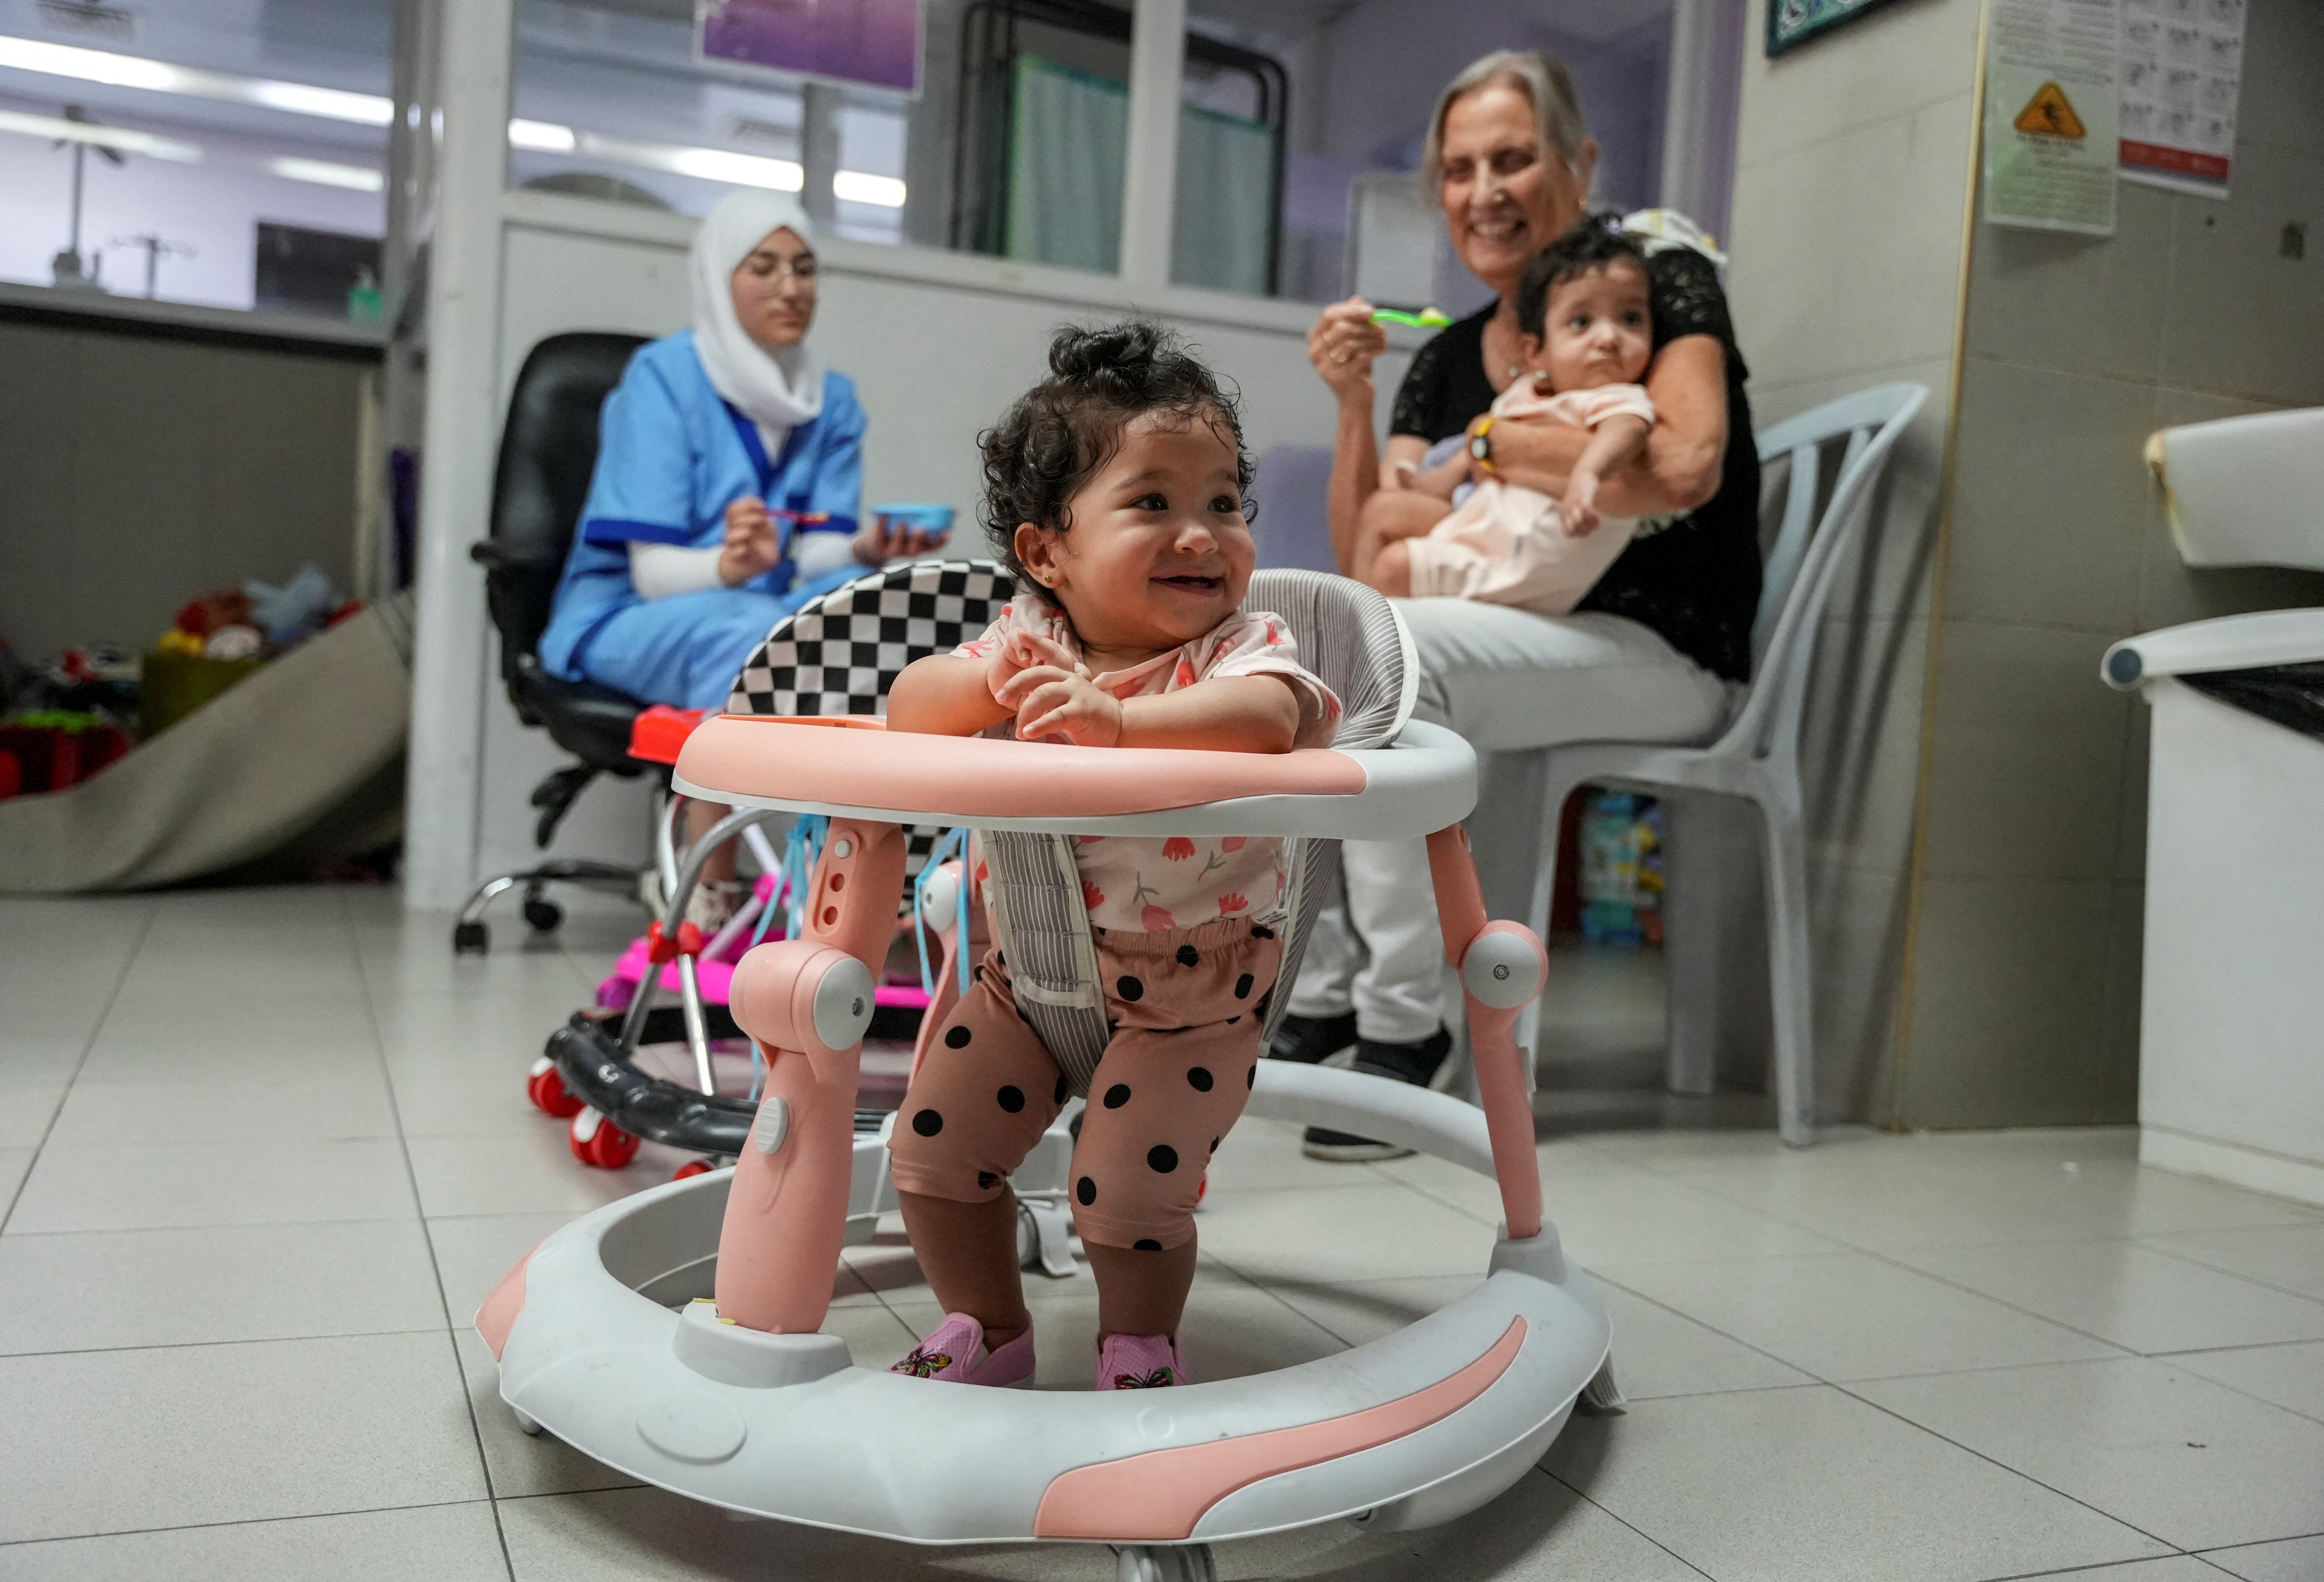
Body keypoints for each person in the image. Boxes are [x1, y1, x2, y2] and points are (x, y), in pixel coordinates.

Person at [1280, 49, 1761, 1160]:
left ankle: (1411, 1028)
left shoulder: (1649, 276)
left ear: (1579, 164)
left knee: (1386, 653)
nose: (1482, 190)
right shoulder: (1446, 355)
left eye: (1512, 157)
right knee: (1306, 642)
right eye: (1457, 169)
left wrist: (1496, 439)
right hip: (1509, 629)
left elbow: (1683, 464)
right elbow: (1370, 545)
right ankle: (1322, 992)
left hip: (1661, 645)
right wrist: (1353, 403)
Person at [881, 322, 1341, 1391]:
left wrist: (1122, 722)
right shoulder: (1029, 638)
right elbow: (909, 711)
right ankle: (986, 1326)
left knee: (1123, 1194)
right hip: (1026, 972)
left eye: (1223, 503)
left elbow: (1275, 719)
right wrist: (993, 686)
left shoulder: (1235, 650)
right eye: (1153, 502)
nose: (1202, 534)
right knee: (932, 1154)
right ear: (1048, 554)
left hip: (1196, 985)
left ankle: (1138, 1348)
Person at [536, 189, 943, 918]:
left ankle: (888, 885)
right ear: (720, 277)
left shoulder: (832, 400)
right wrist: (727, 568)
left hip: (760, 599)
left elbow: (815, 552)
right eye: (764, 267)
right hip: (629, 611)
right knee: (745, 638)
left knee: (876, 613)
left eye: (805, 269)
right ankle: (708, 885)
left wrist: (867, 546)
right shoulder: (662, 381)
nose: (791, 288)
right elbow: (651, 573)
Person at [1353, 216, 1658, 610]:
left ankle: (1357, 653)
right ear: (1535, 353)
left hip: (1522, 562)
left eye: (1631, 318)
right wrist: (1432, 485)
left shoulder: (1616, 398)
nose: (1609, 338)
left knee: (1394, 567)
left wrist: (1588, 472)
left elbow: (1627, 430)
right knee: (1383, 510)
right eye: (1581, 322)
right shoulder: (1529, 394)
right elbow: (1476, 446)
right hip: (1489, 530)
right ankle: (1348, 633)